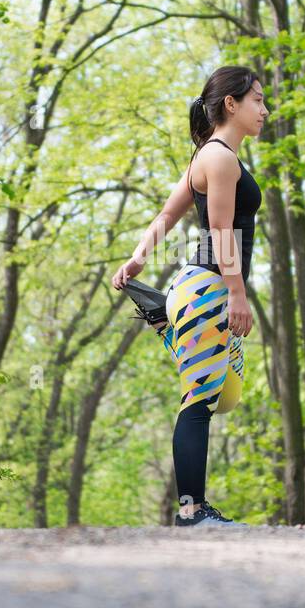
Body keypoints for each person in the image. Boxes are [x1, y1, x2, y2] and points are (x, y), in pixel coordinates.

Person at [112, 67, 268, 526]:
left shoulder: (210, 156)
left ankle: (165, 311)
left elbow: (168, 212)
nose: (264, 110)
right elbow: (220, 231)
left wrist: (139, 259)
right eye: (257, 100)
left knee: (227, 396)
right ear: (231, 104)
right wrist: (238, 295)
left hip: (200, 290)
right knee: (199, 401)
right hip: (211, 289)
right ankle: (191, 511)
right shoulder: (219, 158)